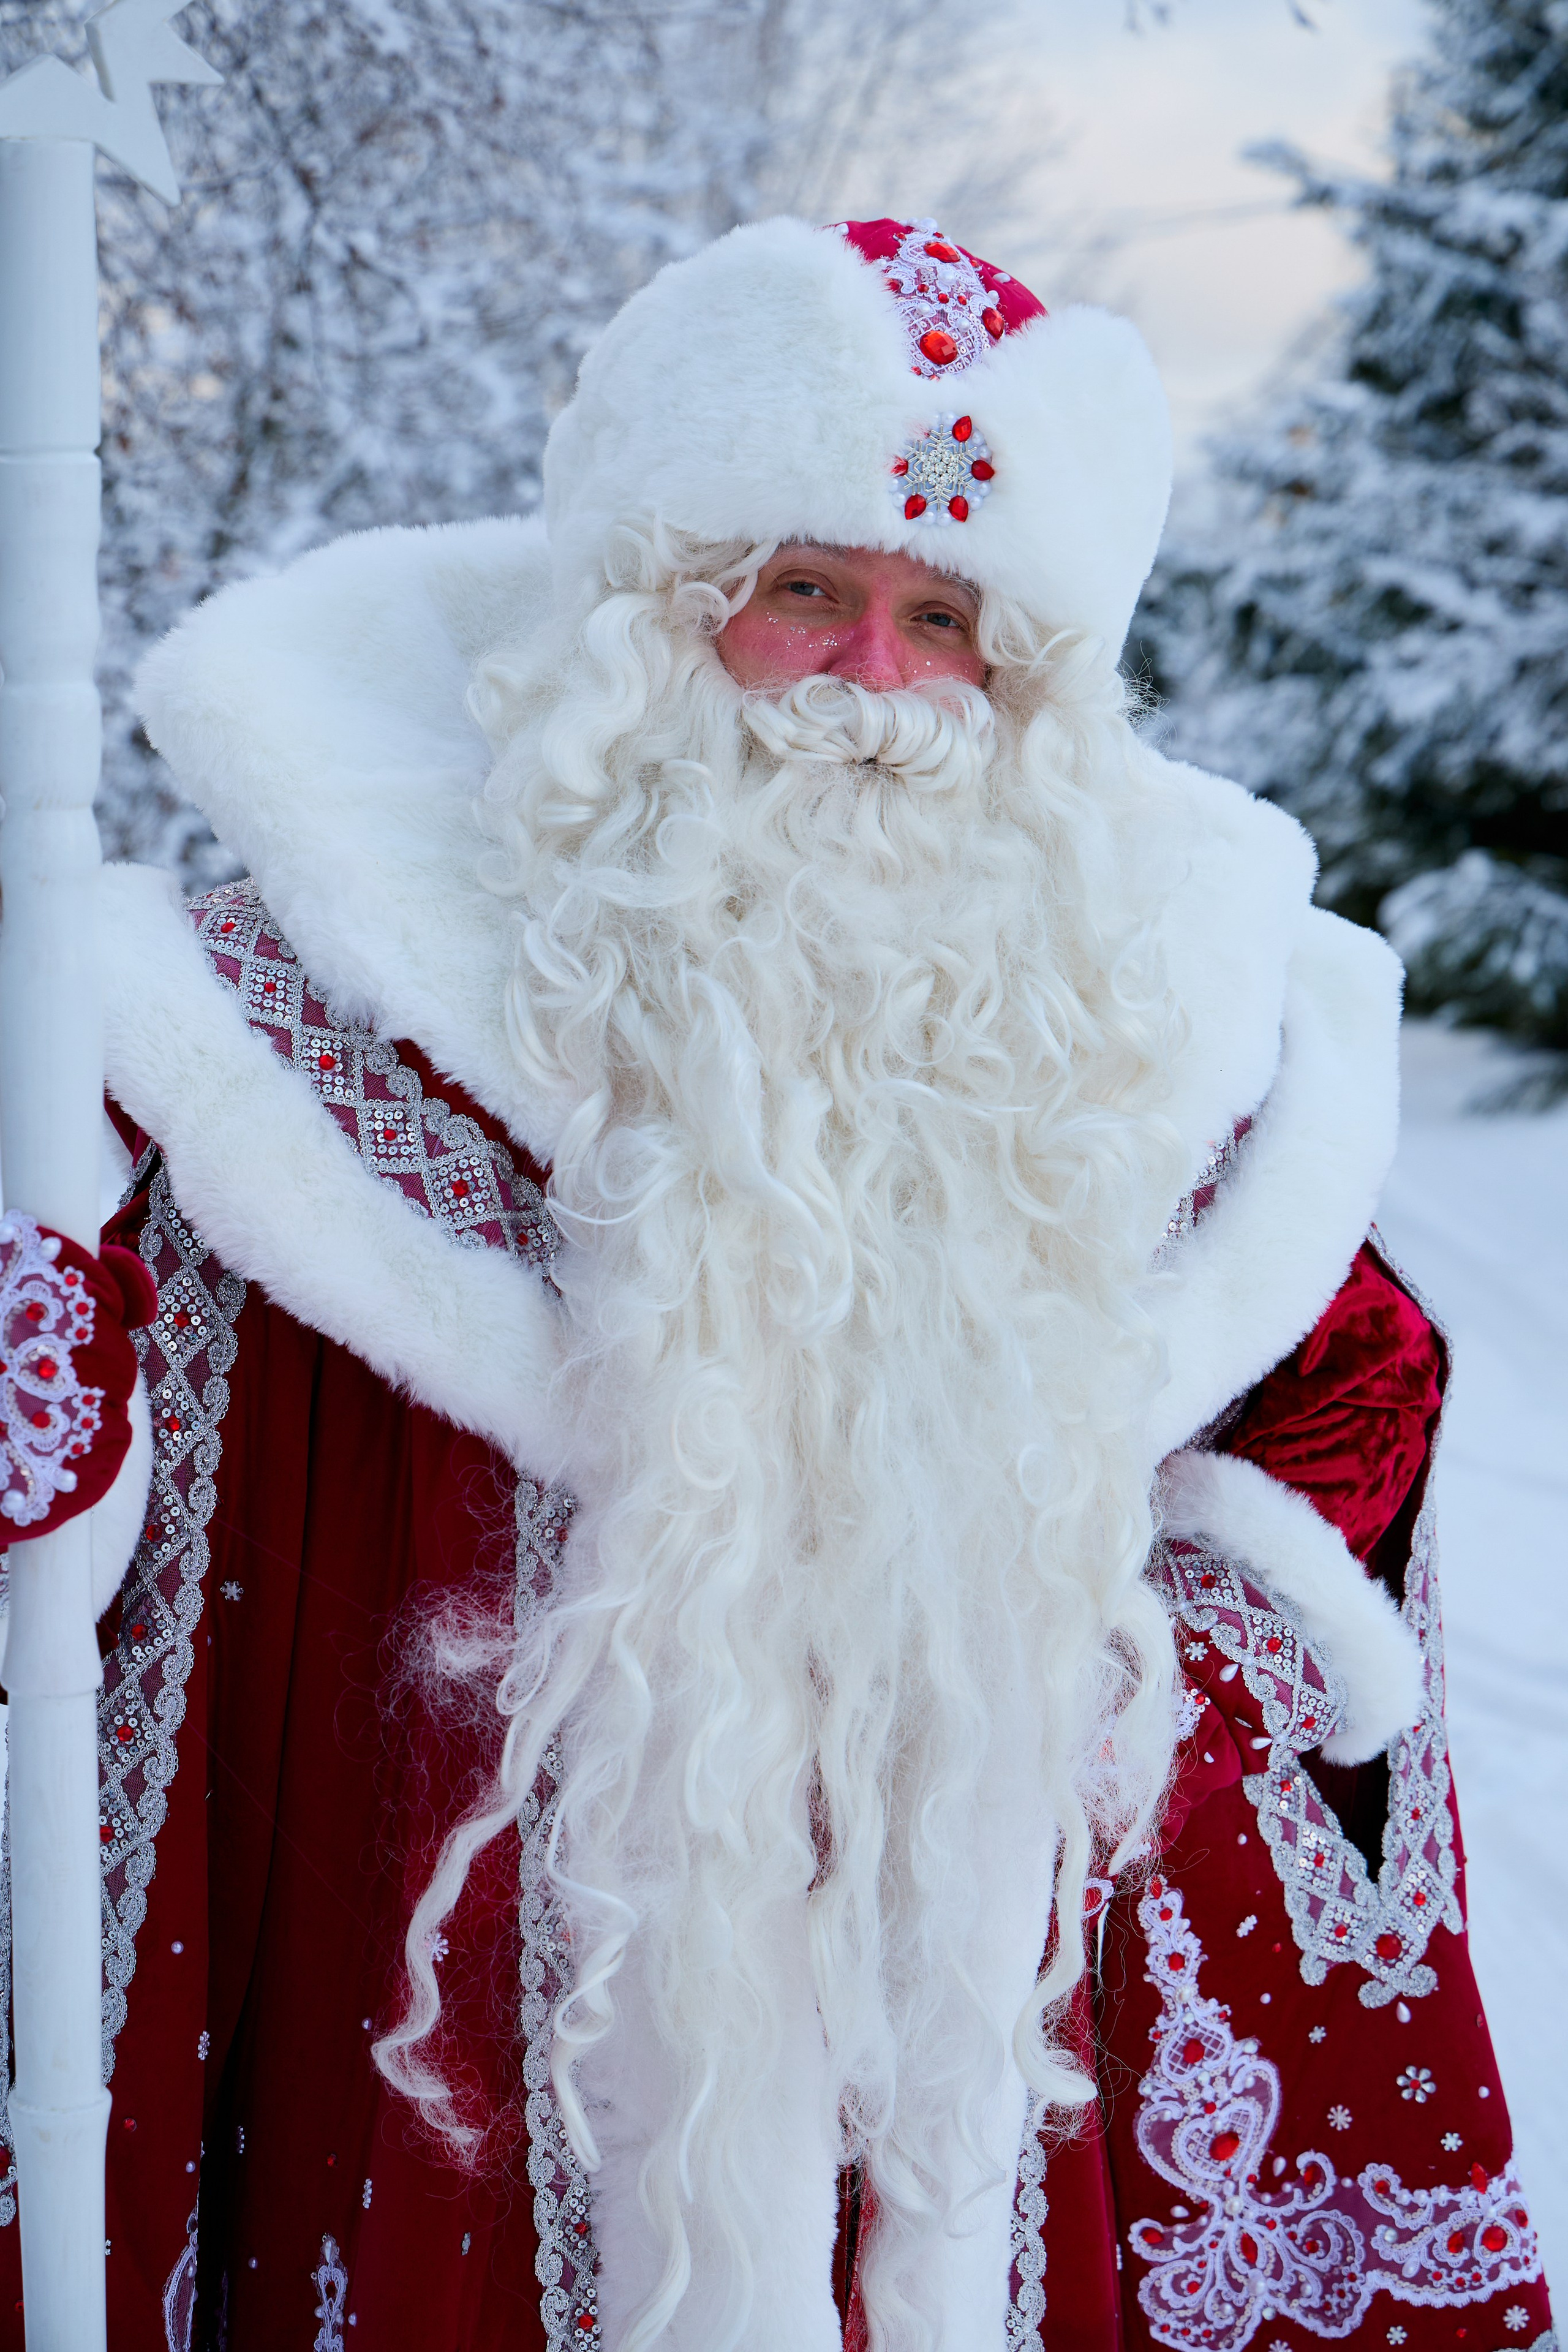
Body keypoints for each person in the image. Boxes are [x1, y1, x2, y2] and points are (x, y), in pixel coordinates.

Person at [0, 216, 1551, 2352]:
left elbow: (1342, 1399)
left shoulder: (1184, 1049)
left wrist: (1187, 1643)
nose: (881, 687)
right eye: (805, 593)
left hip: (968, 2049)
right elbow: (93, 1415)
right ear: (655, 613)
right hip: (433, 2042)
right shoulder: (282, 1026)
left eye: (949, 621)